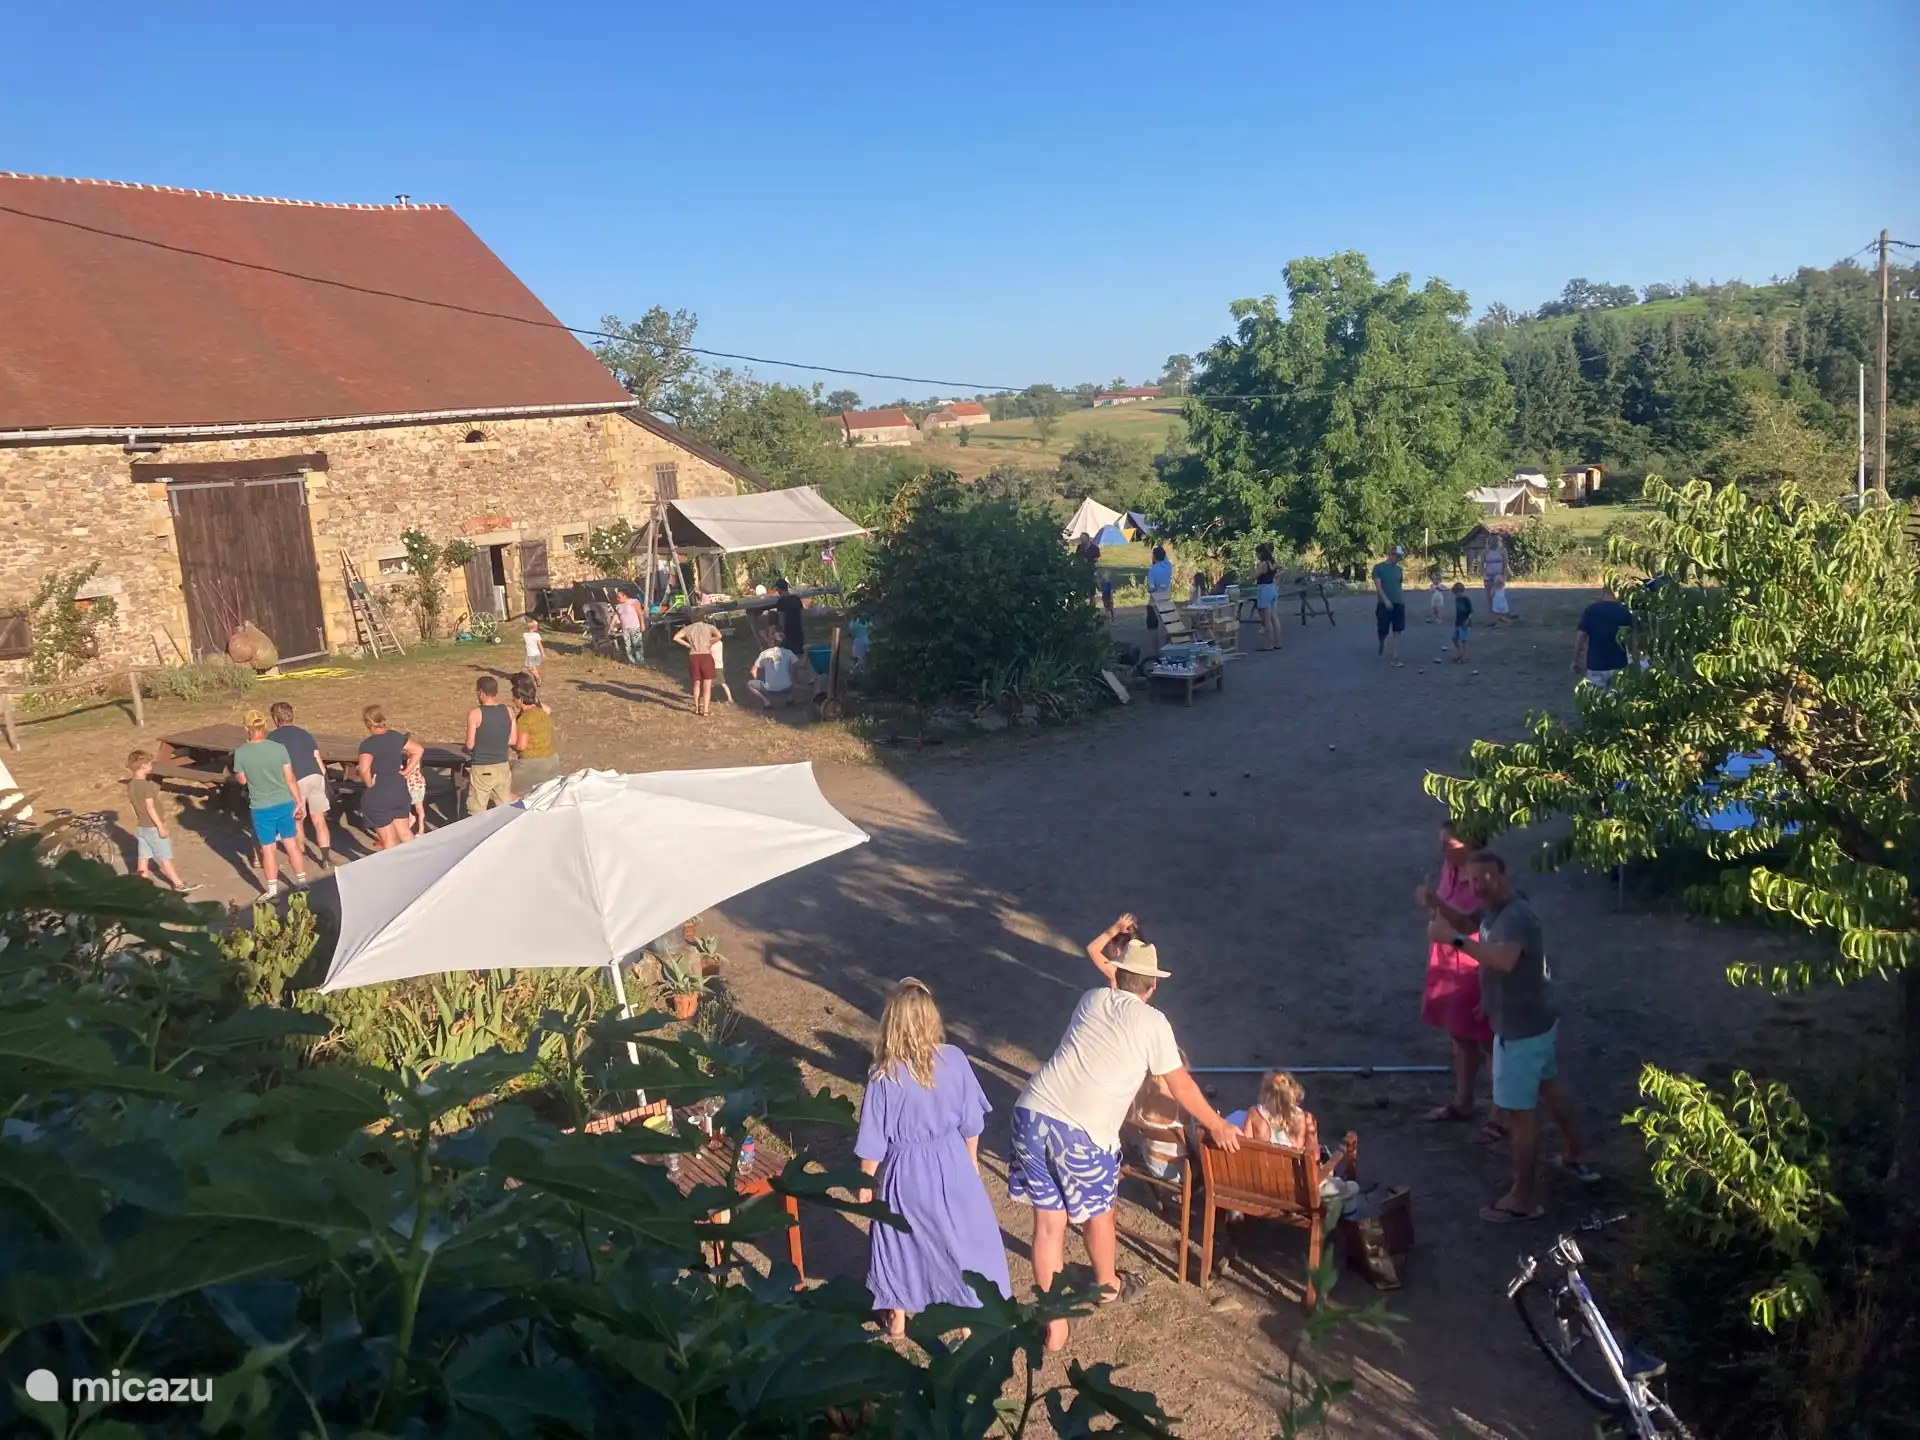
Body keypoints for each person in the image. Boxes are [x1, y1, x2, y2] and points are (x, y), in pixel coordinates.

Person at [1011, 913, 1241, 1349]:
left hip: (1033, 1111)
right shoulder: (1153, 1025)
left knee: (1047, 1224)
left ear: (1117, 977)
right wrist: (1216, 1124)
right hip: (1081, 1133)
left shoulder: (1092, 999)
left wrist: (1114, 935)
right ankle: (1107, 1286)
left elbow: (1103, 970)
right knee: (1100, 1213)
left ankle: (1055, 1326)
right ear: (1153, 987)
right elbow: (1181, 1086)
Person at [1424, 851, 1599, 1222]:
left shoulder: (1515, 917)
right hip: (1532, 1019)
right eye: (1472, 881)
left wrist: (1450, 939)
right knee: (1548, 1086)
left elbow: (1502, 959)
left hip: (1519, 1031)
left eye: (1485, 878)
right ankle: (1576, 1154)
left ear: (1502, 876)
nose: (1478, 886)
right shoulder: (1496, 908)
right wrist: (1438, 904)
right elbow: (1469, 924)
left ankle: (1523, 1197)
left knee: (1519, 1114)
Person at [855, 978, 1011, 1337]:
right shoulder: (954, 1059)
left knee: (898, 1240)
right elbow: (972, 1121)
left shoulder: (883, 1075)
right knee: (960, 1239)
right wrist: (971, 1160)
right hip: (950, 1161)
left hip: (903, 1171)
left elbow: (873, 1138)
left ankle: (898, 1317)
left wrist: (866, 1184)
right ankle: (966, 1317)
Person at [1414, 821, 1495, 1124]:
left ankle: (1500, 1114)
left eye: (1449, 843)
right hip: (1448, 959)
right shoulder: (1450, 868)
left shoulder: (1483, 878)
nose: (1442, 849)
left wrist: (1435, 903)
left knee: (1488, 1039)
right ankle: (1463, 1101)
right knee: (1460, 1034)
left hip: (1474, 964)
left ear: (1471, 844)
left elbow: (1469, 923)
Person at [234, 709, 308, 896]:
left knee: (268, 849)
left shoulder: (241, 753)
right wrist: (299, 801)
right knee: (291, 843)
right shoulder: (278, 748)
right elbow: (290, 777)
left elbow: (242, 780)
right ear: (265, 726)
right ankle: (302, 882)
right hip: (284, 802)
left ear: (246, 728)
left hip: (261, 806)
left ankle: (272, 890)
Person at [267, 700, 334, 865]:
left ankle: (301, 853)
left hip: (296, 780)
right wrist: (325, 781)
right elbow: (317, 758)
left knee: (298, 819)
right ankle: (325, 857)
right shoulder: (305, 734)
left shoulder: (272, 737)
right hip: (315, 775)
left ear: (276, 719)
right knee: (319, 820)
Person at [125, 749, 195, 892]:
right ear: (143, 766)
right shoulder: (146, 786)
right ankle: (178, 884)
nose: (151, 767)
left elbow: (134, 806)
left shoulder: (131, 784)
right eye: (150, 764)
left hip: (142, 827)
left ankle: (140, 884)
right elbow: (150, 808)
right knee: (164, 857)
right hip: (152, 827)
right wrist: (160, 826)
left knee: (143, 857)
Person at [356, 704, 422, 851]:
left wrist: (369, 784)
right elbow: (418, 750)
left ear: (367, 723)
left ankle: (395, 870)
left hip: (380, 793)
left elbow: (363, 768)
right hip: (399, 790)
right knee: (405, 832)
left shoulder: (368, 745)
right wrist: (406, 771)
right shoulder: (395, 736)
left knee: (388, 840)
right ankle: (419, 860)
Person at [464, 675, 516, 814]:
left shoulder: (475, 714)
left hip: (482, 767)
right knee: (505, 806)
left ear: (481, 692)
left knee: (477, 809)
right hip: (503, 766)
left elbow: (470, 744)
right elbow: (513, 740)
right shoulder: (509, 711)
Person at [508, 672, 561, 797]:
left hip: (531, 763)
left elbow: (521, 746)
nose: (512, 700)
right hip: (551, 760)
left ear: (520, 699)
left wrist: (511, 742)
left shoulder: (524, 719)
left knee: (514, 796)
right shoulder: (542, 713)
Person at [1574, 591, 1635, 688]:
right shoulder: (1625, 611)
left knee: (1595, 699)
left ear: (1604, 590)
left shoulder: (1591, 610)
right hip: (1619, 665)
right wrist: (1635, 661)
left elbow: (1581, 636)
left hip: (1596, 665)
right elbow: (1632, 640)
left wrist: (1575, 660)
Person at [673, 615, 722, 716]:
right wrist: (710, 642)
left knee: (696, 683)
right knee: (707, 685)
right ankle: (706, 710)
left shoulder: (688, 628)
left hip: (694, 656)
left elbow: (676, 637)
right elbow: (719, 635)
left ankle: (697, 708)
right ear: (703, 617)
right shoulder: (709, 627)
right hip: (705, 655)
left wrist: (689, 645)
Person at [1372, 544, 1407, 664]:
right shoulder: (1378, 568)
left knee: (1398, 629)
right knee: (1383, 629)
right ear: (1391, 554)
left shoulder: (1399, 570)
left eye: (1400, 557)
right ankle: (1382, 642)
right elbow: (1378, 586)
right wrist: (1386, 600)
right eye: (1397, 556)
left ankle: (1395, 655)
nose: (1398, 560)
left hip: (1398, 602)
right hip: (1384, 603)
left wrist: (1399, 598)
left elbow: (1399, 585)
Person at [748, 633, 797, 710]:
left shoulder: (764, 653)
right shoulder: (789, 653)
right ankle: (789, 699)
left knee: (750, 684)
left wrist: (759, 681)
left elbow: (753, 671)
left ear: (772, 641)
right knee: (793, 677)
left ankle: (766, 702)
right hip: (787, 687)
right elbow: (795, 668)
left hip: (770, 688)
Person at [1253, 542, 1282, 652]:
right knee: (1274, 618)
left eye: (1257, 553)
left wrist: (1251, 569)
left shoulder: (1263, 564)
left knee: (1267, 620)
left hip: (1264, 590)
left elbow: (1254, 577)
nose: (1257, 555)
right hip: (1272, 588)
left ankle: (1269, 644)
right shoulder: (1271, 563)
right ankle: (1278, 643)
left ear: (1261, 553)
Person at [1144, 546, 1174, 655]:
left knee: (1153, 627)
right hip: (1166, 599)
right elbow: (1165, 558)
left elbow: (1151, 588)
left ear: (1154, 556)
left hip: (1154, 602)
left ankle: (1155, 651)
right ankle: (1171, 646)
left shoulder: (1152, 570)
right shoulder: (1168, 566)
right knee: (1170, 626)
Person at [773, 578, 807, 657]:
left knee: (788, 657)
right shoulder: (796, 599)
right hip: (798, 630)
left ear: (778, 589)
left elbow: (782, 619)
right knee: (798, 656)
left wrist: (781, 631)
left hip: (788, 633)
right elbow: (802, 613)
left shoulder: (781, 602)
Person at [1481, 536, 1509, 626]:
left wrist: (1504, 577)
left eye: (1497, 540)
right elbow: (1481, 564)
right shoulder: (1485, 552)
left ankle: (1500, 619)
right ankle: (1494, 619)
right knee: (1490, 598)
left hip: (1498, 577)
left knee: (1498, 598)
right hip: (1488, 577)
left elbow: (1506, 564)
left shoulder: (1502, 551)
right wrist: (1484, 574)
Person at [614, 590, 647, 667]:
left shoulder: (633, 602)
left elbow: (640, 614)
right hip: (625, 628)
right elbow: (618, 616)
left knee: (637, 644)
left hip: (634, 626)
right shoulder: (618, 606)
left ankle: (640, 662)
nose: (618, 599)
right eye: (617, 598)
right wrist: (614, 626)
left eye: (619, 597)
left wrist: (642, 624)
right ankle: (632, 661)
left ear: (624, 596)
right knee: (627, 645)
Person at [1451, 582, 1473, 663]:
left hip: (1465, 623)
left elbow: (1470, 611)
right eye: (1456, 593)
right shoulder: (1457, 599)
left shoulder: (1466, 600)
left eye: (1458, 592)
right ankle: (1459, 652)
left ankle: (1464, 656)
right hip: (1458, 622)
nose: (1457, 594)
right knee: (1454, 637)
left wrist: (1467, 621)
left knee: (1464, 640)